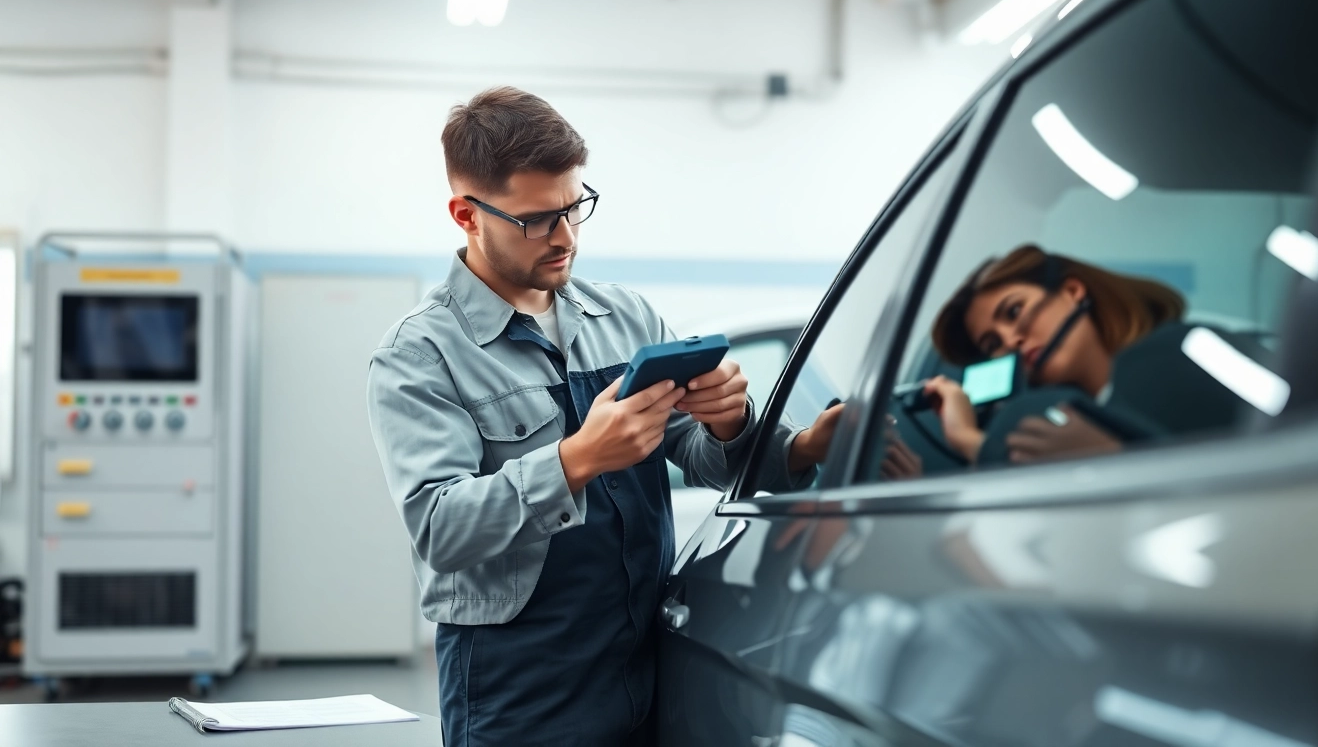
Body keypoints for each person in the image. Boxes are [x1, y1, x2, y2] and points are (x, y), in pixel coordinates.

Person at [366, 86, 823, 746]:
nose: (565, 238)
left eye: (575, 207)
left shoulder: (627, 319)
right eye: (535, 220)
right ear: (465, 214)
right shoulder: (420, 355)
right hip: (520, 690)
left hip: (649, 667)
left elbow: (701, 454)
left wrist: (740, 425)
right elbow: (440, 528)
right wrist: (578, 460)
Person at [922, 244, 1185, 465]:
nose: (1011, 341)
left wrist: (968, 439)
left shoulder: (1177, 359)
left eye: (1014, 311)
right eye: (993, 344)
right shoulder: (1070, 417)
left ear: (1072, 292)